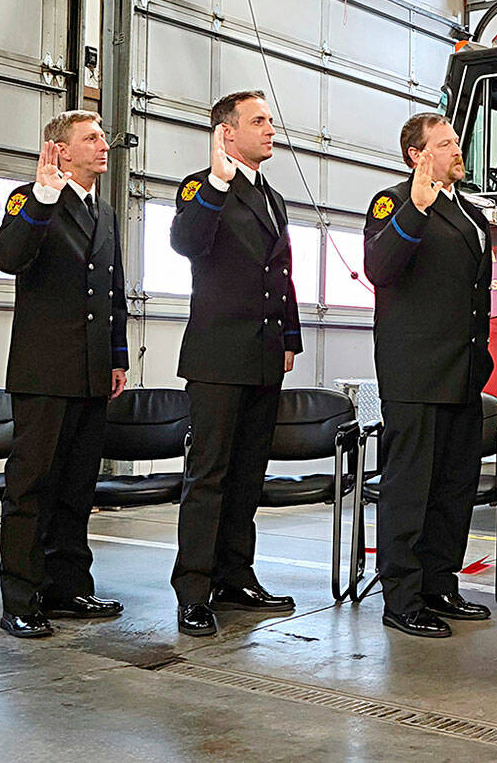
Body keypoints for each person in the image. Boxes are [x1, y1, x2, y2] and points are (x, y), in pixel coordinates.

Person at [169, 90, 302, 637]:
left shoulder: (272, 195)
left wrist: (289, 336)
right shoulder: (203, 187)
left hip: (264, 355)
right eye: (258, 121)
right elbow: (187, 242)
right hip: (219, 356)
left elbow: (282, 272)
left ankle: (235, 575)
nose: (271, 129)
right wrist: (219, 185)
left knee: (247, 475)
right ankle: (194, 589)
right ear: (227, 132)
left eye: (270, 119)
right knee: (210, 476)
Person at [0, 111, 128, 638]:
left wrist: (116, 355)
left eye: (103, 138)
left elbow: (112, 292)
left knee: (76, 487)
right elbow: (9, 256)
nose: (103, 146)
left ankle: (68, 587)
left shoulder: (106, 211)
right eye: (91, 139)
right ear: (59, 150)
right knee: (31, 488)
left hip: (92, 372)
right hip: (45, 372)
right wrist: (43, 201)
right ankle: (20, 599)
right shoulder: (31, 199)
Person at [363, 112, 493, 638]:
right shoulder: (393, 203)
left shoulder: (468, 211)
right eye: (445, 144)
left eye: (456, 141)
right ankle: (402, 595)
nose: (457, 150)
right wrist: (415, 211)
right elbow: (381, 268)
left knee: (453, 487)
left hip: (462, 372)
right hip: (414, 373)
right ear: (418, 155)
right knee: (409, 488)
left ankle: (440, 582)